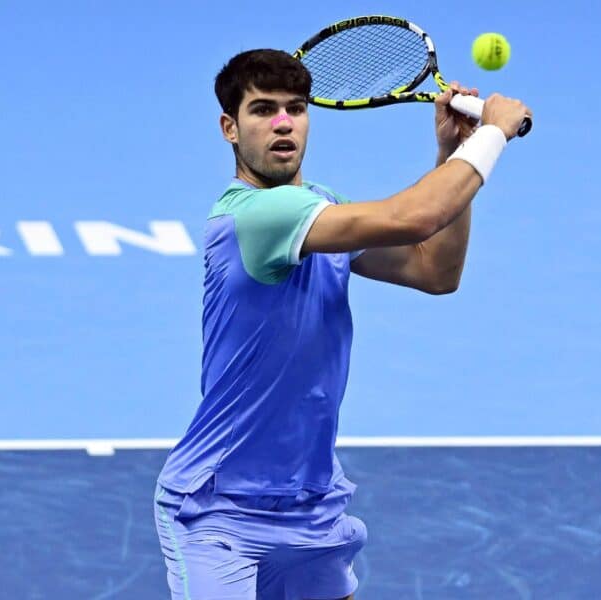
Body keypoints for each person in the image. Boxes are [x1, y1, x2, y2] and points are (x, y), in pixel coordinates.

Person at [153, 49, 531, 600]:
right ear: (229, 128)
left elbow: (435, 269)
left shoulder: (319, 207)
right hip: (220, 513)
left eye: (296, 108)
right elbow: (414, 216)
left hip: (312, 504)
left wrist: (449, 151)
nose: (283, 122)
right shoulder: (256, 216)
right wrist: (489, 135)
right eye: (262, 110)